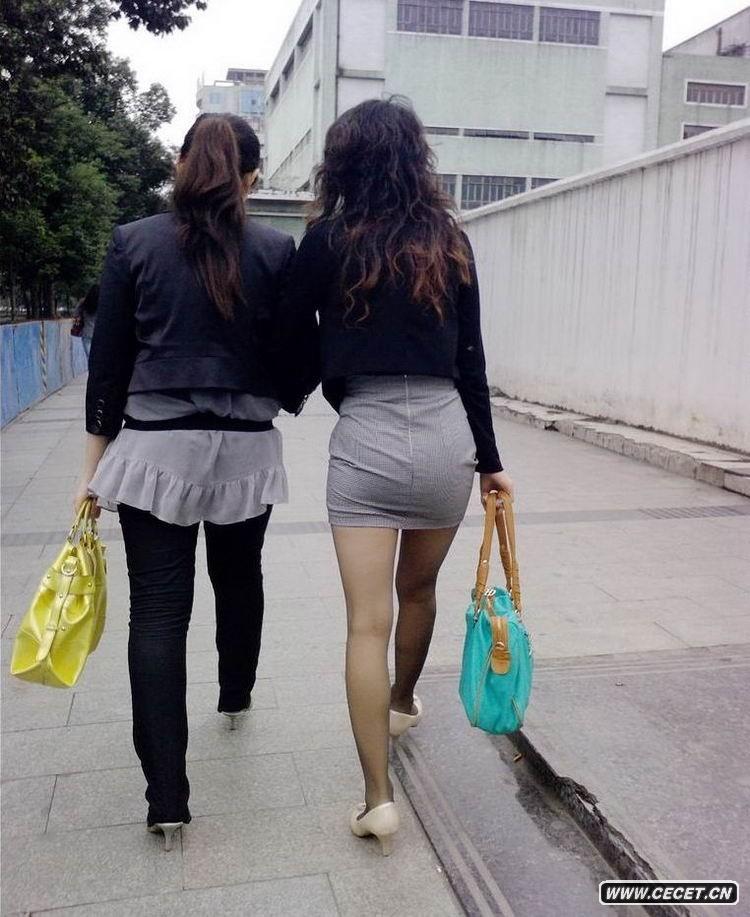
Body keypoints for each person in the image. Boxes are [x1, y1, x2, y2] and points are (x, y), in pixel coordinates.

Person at [279, 98, 513, 856]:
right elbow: (472, 358)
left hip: (367, 437)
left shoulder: (326, 241)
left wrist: (307, 384)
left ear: (342, 162)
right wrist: (491, 462)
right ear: (416, 158)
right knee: (419, 591)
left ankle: (378, 797)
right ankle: (406, 700)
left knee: (365, 622)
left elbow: (291, 337)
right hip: (447, 436)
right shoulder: (449, 240)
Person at [74, 113, 300, 851]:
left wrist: (91, 473)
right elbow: (298, 359)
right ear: (252, 177)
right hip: (245, 453)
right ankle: (235, 693)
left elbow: (108, 364)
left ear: (180, 163)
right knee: (239, 577)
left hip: (154, 451)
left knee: (157, 613)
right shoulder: (274, 249)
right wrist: (280, 393)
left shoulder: (133, 241)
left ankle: (166, 799)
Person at [73, 283, 99, 358]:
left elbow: (75, 314)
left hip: (87, 333)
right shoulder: (102, 303)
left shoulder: (84, 302)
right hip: (99, 335)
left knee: (90, 359)